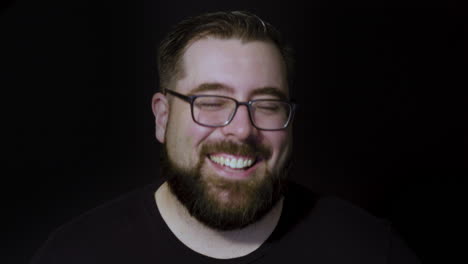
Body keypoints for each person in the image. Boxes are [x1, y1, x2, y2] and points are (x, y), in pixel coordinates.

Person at [31, 11, 420, 263]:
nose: (242, 129)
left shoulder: (370, 251)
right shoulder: (75, 253)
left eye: (267, 105)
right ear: (163, 117)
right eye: (212, 101)